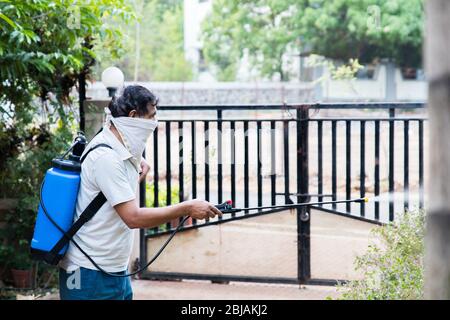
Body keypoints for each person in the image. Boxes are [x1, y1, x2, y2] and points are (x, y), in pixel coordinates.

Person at [59, 85, 222, 300]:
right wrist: (187, 207)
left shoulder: (120, 149)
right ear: (133, 116)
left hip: (114, 269)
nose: (155, 123)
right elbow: (133, 217)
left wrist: (135, 170)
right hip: (86, 271)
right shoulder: (106, 157)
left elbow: (111, 196)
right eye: (152, 116)